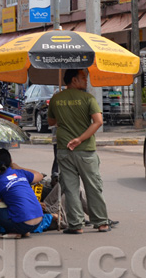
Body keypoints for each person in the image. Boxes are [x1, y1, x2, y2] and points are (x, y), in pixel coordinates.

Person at [47, 69, 110, 234]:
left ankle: (76, 224)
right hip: (85, 150)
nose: (86, 80)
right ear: (73, 80)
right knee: (93, 186)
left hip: (64, 149)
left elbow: (52, 121)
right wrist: (80, 139)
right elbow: (98, 122)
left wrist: (64, 116)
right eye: (83, 77)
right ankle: (101, 222)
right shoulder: (88, 98)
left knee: (70, 188)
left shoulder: (56, 99)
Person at [0, 148, 44, 239]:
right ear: (11, 161)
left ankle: (15, 231)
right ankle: (23, 230)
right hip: (39, 219)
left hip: (24, 224)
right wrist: (19, 167)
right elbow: (40, 175)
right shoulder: (20, 173)